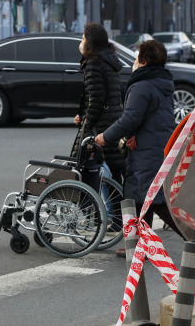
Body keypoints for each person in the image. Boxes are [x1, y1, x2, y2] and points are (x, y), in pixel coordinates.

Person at [94, 40, 183, 257]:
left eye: (136, 57)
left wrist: (105, 137)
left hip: (148, 150)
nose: (134, 61)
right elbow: (149, 118)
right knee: (139, 197)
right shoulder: (161, 81)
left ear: (143, 61)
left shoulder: (142, 85)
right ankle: (138, 246)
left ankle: (194, 238)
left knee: (154, 200)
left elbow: (131, 118)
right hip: (153, 144)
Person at [71, 22, 125, 231]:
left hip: (100, 125)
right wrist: (81, 114)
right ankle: (119, 220)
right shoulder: (110, 60)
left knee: (92, 171)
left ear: (91, 40)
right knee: (115, 173)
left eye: (84, 37)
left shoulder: (94, 62)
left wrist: (86, 121)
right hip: (113, 120)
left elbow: (96, 99)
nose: (82, 41)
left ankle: (103, 219)